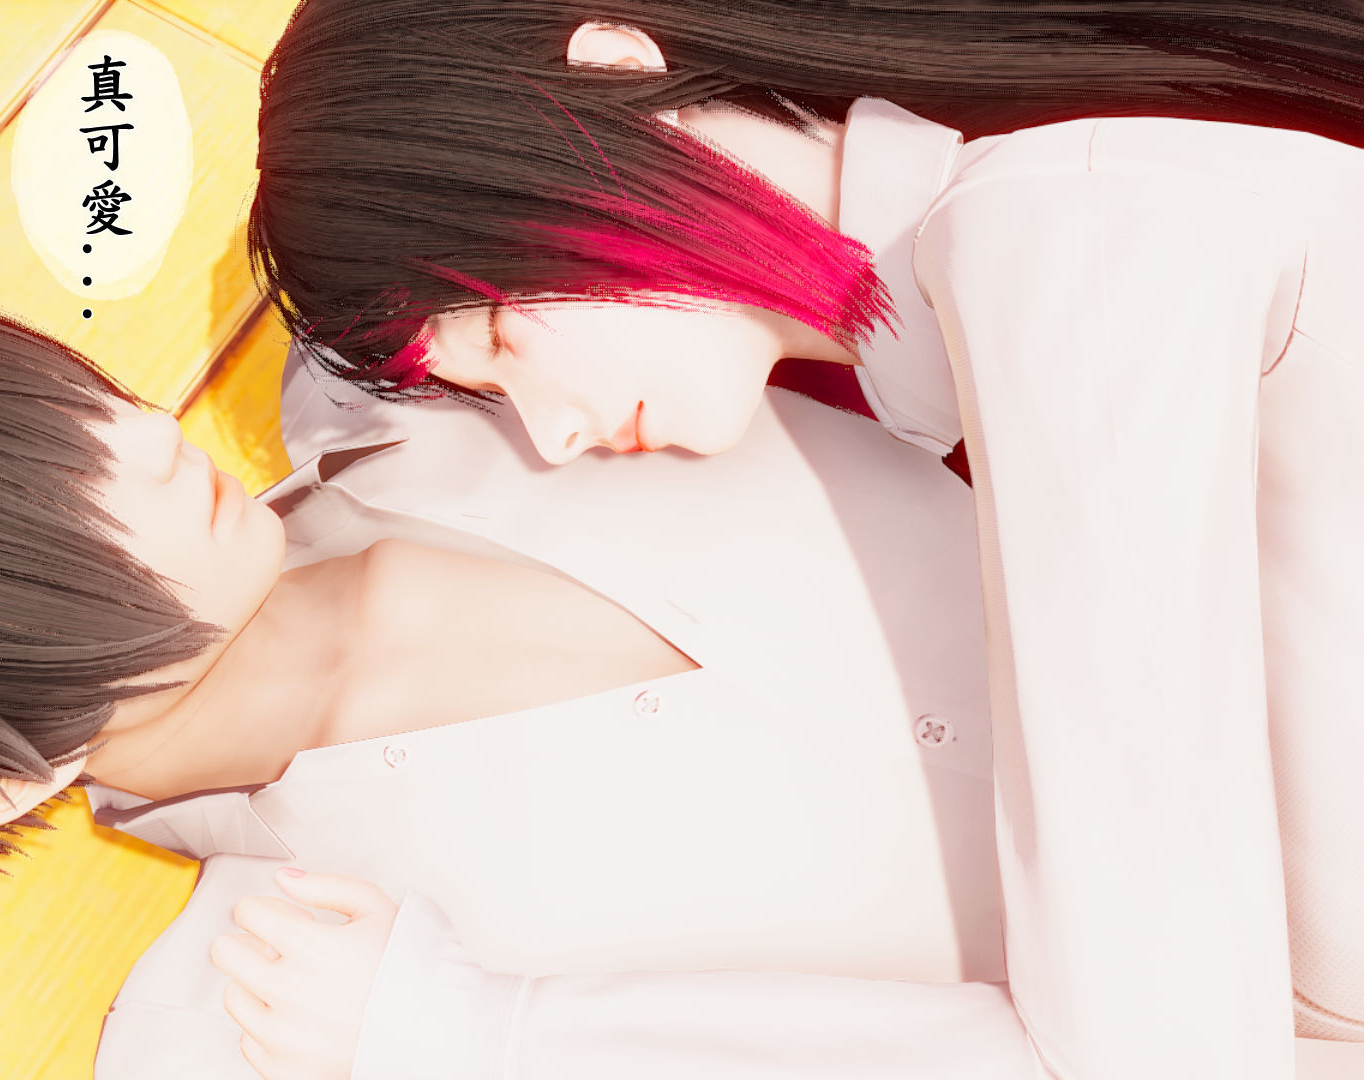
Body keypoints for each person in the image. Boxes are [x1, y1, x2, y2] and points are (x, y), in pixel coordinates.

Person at [248, 1, 1364, 1074]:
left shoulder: (1059, 246)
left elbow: (1164, 1055)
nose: (551, 434)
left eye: (498, 333)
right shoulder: (1002, 305)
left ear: (616, 71)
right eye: (488, 393)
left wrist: (485, 1037)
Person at [0, 281, 1048, 1076]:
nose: (141, 440)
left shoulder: (425, 342)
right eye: (42, 514)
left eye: (68, 409)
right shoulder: (265, 1028)